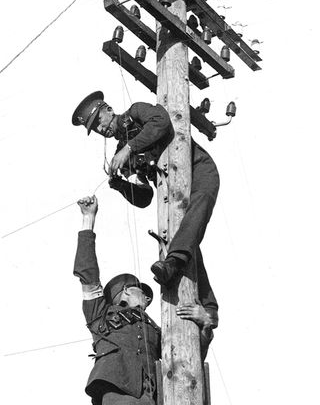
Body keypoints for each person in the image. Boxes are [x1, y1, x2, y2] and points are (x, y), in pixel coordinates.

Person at [73, 195, 215, 405]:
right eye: (141, 291)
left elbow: (184, 358)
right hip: (123, 399)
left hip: (158, 402)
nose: (147, 299)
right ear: (124, 293)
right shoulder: (101, 316)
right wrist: (88, 221)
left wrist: (204, 327)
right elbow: (87, 274)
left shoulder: (156, 329)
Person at [72, 93, 220, 316]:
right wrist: (119, 184)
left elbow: (161, 121)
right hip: (170, 193)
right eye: (95, 129)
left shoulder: (136, 113)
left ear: (109, 110)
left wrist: (129, 149)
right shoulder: (121, 151)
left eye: (99, 122)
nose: (100, 130)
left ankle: (171, 265)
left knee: (192, 220)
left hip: (198, 169)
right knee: (186, 238)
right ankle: (209, 310)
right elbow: (144, 197)